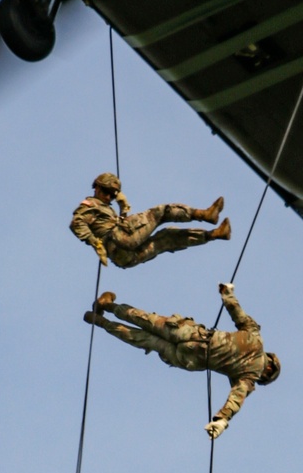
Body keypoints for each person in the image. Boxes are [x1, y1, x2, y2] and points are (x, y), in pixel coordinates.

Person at [84, 282, 281, 438]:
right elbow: (236, 398)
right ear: (268, 372)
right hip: (188, 358)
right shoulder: (248, 377)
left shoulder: (255, 337)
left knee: (145, 319)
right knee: (142, 339)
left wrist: (226, 292)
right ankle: (101, 322)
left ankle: (108, 305)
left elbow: (236, 311)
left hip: (190, 334)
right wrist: (221, 420)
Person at [70, 172, 230, 270]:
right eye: (106, 192)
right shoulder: (90, 205)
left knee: (166, 238)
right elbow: (77, 223)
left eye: (112, 195)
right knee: (161, 212)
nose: (108, 197)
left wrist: (123, 208)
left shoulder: (105, 209)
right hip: (120, 240)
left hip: (125, 258)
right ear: (96, 187)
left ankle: (214, 234)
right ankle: (204, 215)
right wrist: (94, 242)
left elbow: (114, 226)